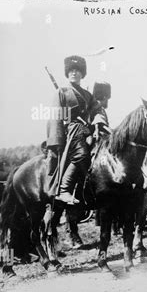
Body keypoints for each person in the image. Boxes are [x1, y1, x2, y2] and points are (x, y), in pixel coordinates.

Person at [46, 55, 98, 204]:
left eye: (77, 70)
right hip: (71, 130)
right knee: (82, 153)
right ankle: (64, 189)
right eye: (71, 71)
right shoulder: (61, 92)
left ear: (82, 73)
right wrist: (57, 140)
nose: (74, 73)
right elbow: (55, 116)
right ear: (67, 73)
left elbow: (98, 111)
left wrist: (99, 122)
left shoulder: (88, 95)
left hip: (87, 130)